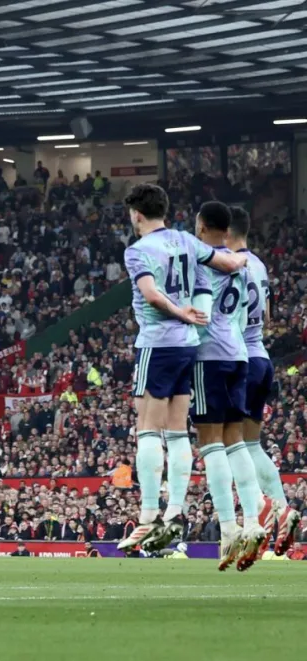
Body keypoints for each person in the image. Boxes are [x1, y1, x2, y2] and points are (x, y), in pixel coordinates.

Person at [118, 185, 247, 554]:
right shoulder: (187, 241)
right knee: (176, 432)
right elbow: (227, 262)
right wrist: (242, 260)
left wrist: (180, 311)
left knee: (147, 429)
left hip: (158, 343)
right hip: (188, 346)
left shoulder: (138, 250)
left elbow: (151, 295)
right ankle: (174, 511)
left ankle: (146, 519)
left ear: (137, 214)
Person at [189, 201, 268, 572]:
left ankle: (228, 527)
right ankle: (253, 520)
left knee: (211, 443)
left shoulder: (205, 261)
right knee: (236, 440)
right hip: (241, 354)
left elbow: (198, 312)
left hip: (210, 354)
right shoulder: (243, 264)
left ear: (203, 226)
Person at [227, 207, 301, 560]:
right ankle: (282, 510)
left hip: (239, 360)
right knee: (251, 445)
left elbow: (230, 318)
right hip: (261, 357)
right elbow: (267, 315)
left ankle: (258, 515)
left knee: (229, 445)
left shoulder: (229, 266)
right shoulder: (258, 264)